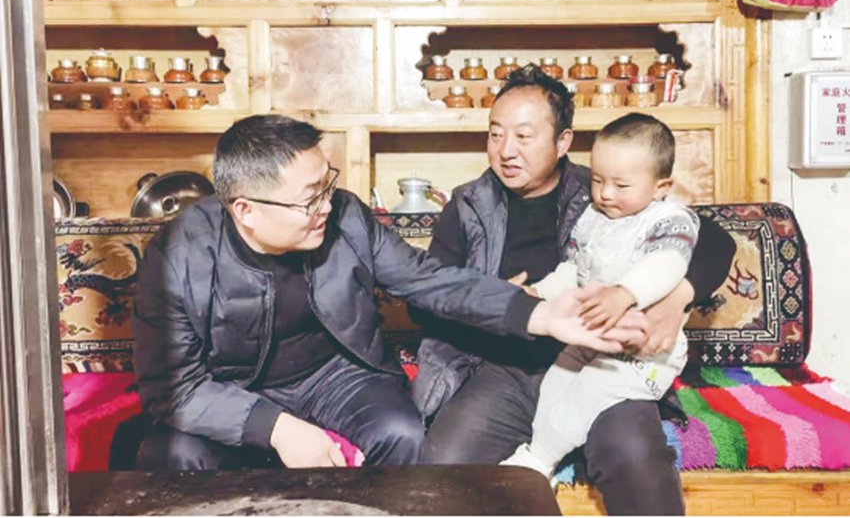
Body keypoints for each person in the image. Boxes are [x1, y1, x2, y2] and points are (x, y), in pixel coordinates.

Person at [132, 113, 641, 472]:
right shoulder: (177, 256)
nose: (326, 206)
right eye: (309, 199)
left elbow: (430, 279)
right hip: (233, 387)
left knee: (402, 434)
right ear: (245, 210)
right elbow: (172, 388)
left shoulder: (346, 217)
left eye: (327, 186)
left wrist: (540, 315)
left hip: (337, 375)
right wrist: (277, 428)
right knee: (174, 455)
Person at [413, 64, 736, 515]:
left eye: (523, 136)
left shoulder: (604, 188)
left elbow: (713, 239)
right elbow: (424, 299)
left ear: (562, 141)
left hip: (605, 361)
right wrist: (489, 300)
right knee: (440, 464)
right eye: (495, 134)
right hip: (507, 367)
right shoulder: (467, 205)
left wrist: (678, 297)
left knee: (634, 456)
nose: (506, 150)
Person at [501, 112, 698, 485]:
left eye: (621, 185)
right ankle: (542, 449)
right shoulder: (594, 217)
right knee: (556, 382)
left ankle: (539, 460)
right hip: (592, 335)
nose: (605, 193)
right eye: (597, 180)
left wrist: (624, 293)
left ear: (660, 186)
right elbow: (574, 272)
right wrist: (538, 292)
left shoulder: (669, 220)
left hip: (643, 350)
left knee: (588, 392)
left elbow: (668, 263)